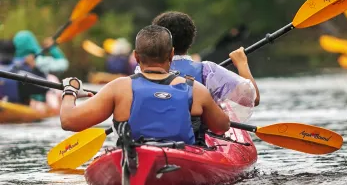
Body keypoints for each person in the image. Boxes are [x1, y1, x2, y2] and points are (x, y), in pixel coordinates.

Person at [60, 25, 230, 144]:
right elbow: (222, 126)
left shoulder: (119, 88)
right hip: (185, 161)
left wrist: (70, 90)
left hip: (135, 159)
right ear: (171, 55)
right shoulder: (196, 90)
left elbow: (68, 121)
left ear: (136, 56)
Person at [147, 11, 260, 145]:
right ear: (191, 39)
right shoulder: (207, 70)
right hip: (194, 141)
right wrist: (242, 63)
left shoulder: (141, 70)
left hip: (148, 140)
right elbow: (253, 99)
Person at [0, 31, 67, 112]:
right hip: (33, 98)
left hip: (31, 100)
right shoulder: (38, 60)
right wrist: (53, 48)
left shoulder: (12, 60)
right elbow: (63, 63)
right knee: (52, 80)